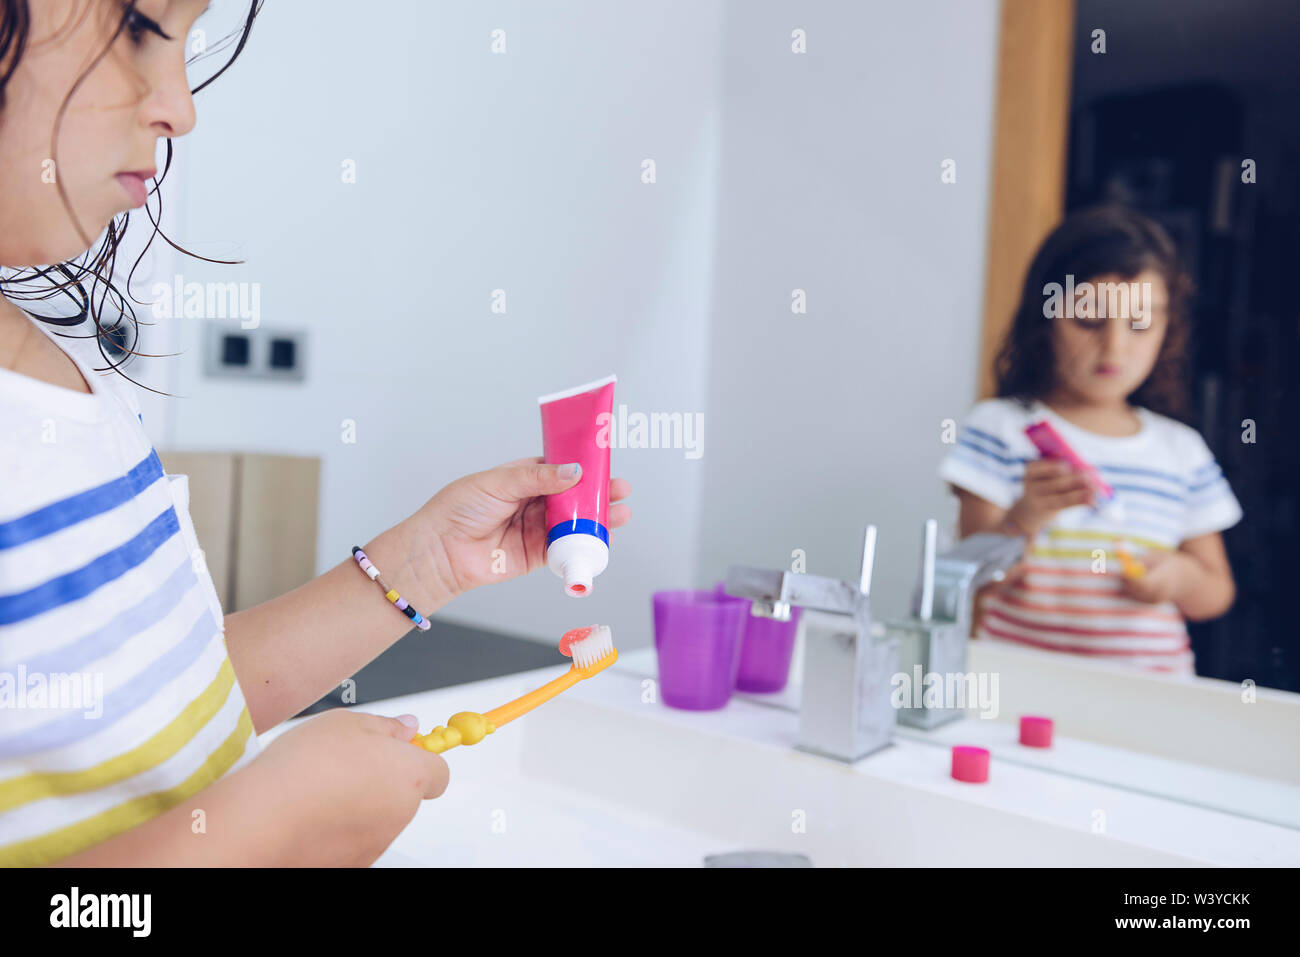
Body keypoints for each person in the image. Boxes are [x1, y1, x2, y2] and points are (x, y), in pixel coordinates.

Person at [0, 0, 630, 865]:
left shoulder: (71, 383)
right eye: (144, 26)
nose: (182, 108)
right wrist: (265, 830)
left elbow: (160, 705)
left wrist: (427, 562)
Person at [939, 205, 1240, 675]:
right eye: (1089, 321)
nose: (1115, 346)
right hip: (1019, 686)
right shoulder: (999, 430)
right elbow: (969, 581)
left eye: (1139, 324)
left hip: (1153, 699)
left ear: (1168, 329)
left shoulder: (1181, 451)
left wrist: (1180, 577)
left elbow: (1216, 593)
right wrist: (1026, 517)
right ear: (1046, 318)